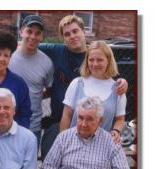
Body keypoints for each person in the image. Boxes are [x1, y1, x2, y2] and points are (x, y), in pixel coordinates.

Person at [40, 15, 128, 160]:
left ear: (83, 31)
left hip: (99, 135)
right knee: (51, 162)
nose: (95, 63)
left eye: (75, 31)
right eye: (67, 34)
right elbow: (27, 45)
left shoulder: (96, 55)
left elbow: (119, 116)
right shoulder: (58, 53)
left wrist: (116, 131)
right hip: (61, 123)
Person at [0, 15, 54, 148]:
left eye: (37, 33)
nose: (33, 36)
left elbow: (50, 90)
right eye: (29, 31)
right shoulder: (8, 56)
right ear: (21, 31)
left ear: (42, 36)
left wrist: (32, 96)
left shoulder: (47, 63)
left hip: (31, 125)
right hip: (2, 122)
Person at [60, 40, 126, 143]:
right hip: (73, 144)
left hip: (101, 147)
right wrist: (62, 142)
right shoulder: (77, 83)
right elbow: (66, 115)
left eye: (100, 60)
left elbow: (120, 119)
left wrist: (116, 131)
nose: (95, 64)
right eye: (91, 60)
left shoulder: (118, 89)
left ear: (108, 61)